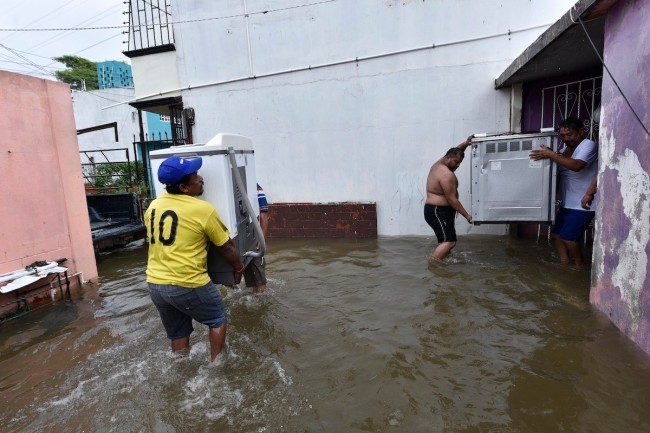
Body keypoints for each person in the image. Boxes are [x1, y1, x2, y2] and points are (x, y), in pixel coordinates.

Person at [144, 155, 245, 361]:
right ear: (183, 187)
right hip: (187, 282)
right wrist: (239, 267)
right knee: (217, 319)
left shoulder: (153, 206)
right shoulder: (202, 209)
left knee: (179, 333)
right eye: (195, 176)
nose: (200, 179)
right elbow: (226, 247)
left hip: (156, 284)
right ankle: (216, 366)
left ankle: (180, 367)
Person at [530, 117, 598, 268]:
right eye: (563, 135)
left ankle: (580, 265)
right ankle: (564, 264)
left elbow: (577, 166)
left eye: (570, 134)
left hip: (584, 204)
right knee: (557, 235)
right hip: (567, 203)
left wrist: (552, 155)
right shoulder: (562, 151)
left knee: (569, 238)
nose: (566, 138)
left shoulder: (588, 145)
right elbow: (558, 175)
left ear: (581, 132)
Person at [424, 135, 474, 261]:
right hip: (437, 211)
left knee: (445, 241)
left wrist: (466, 143)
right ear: (448, 158)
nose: (458, 165)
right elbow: (452, 199)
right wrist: (467, 215)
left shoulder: (440, 163)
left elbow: (456, 150)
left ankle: (444, 266)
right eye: (456, 162)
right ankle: (433, 265)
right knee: (449, 242)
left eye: (460, 163)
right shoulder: (446, 175)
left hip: (441, 211)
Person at [242, 184, 270, 293]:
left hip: (249, 240)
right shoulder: (253, 186)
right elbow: (263, 215)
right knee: (255, 279)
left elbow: (264, 215)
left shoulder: (255, 187)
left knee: (255, 278)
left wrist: (261, 239)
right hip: (249, 238)